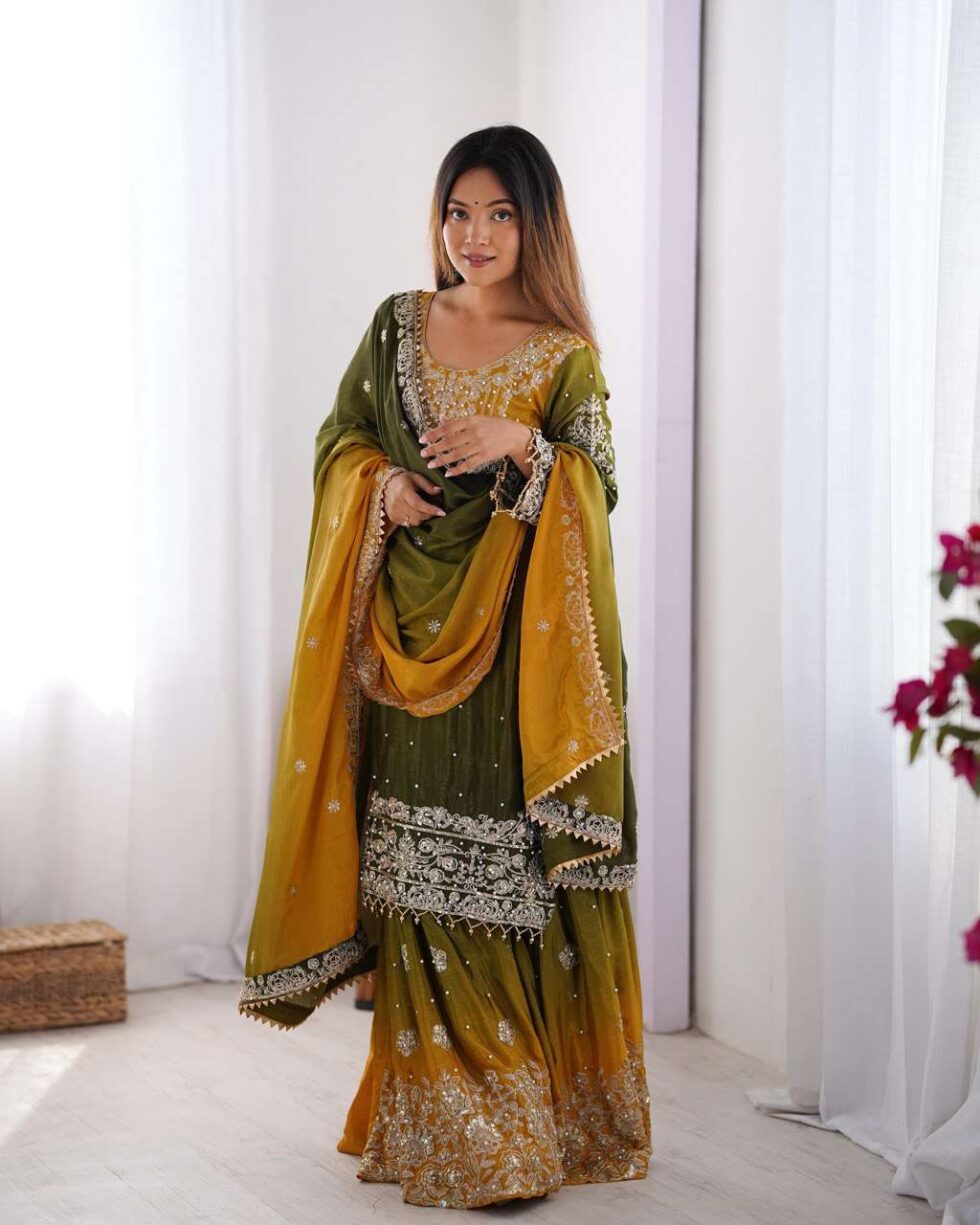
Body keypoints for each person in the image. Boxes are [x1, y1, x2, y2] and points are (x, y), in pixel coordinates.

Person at [238, 124, 652, 1209]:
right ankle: (443, 1119)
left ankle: (519, 1124)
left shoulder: (564, 355)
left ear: (536, 224)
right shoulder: (396, 327)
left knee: (503, 878)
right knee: (418, 873)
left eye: (499, 214)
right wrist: (378, 488)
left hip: (516, 657)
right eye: (458, 212)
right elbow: (339, 441)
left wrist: (526, 448)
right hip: (403, 648)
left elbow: (597, 485)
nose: (474, 235)